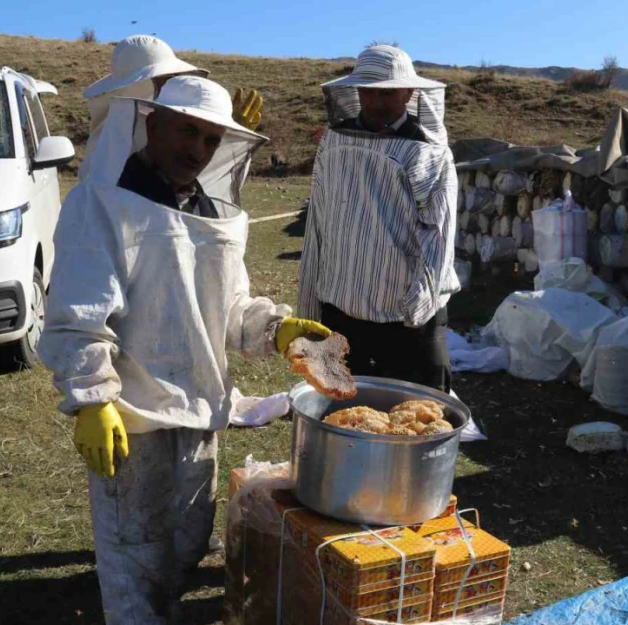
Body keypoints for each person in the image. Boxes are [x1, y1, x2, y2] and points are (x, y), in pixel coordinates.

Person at [39, 76, 328, 625]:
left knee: (184, 543)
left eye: (211, 140)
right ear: (151, 122)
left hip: (200, 411)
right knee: (134, 557)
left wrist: (277, 329)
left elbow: (231, 305)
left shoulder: (209, 210)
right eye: (187, 131)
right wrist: (91, 398)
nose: (197, 150)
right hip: (133, 417)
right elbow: (78, 313)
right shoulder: (103, 203)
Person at [297, 45, 459, 392]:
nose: (377, 102)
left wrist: (417, 311)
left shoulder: (428, 151)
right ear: (356, 91)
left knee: (418, 417)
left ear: (410, 92)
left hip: (406, 321)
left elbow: (440, 235)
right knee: (341, 414)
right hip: (341, 313)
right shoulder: (334, 143)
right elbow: (318, 224)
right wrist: (309, 308)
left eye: (388, 92)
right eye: (369, 91)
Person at [80, 35, 263, 181]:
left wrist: (229, 139)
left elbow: (205, 180)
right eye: (163, 77)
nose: (171, 83)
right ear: (137, 84)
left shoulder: (160, 124)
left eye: (174, 75)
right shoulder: (111, 140)